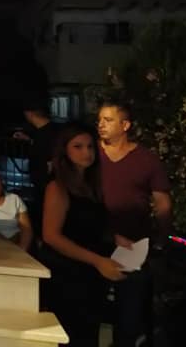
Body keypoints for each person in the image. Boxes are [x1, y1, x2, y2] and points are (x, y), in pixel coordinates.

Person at [40, 122, 125, 347]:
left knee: (88, 334)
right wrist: (98, 261)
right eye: (78, 146)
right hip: (67, 275)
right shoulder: (58, 187)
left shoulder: (91, 185)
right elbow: (51, 236)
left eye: (90, 146)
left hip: (90, 274)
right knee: (73, 335)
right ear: (65, 150)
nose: (86, 152)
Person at [97, 97, 172, 347]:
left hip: (133, 246)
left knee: (128, 316)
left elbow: (162, 202)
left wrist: (160, 241)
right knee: (89, 311)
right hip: (93, 242)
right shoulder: (90, 156)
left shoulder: (146, 160)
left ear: (125, 125)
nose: (101, 124)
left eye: (108, 120)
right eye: (99, 120)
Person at [14, 104, 63, 237]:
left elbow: (50, 158)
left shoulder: (46, 134)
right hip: (42, 183)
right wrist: (29, 140)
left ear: (30, 114)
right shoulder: (45, 132)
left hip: (45, 184)